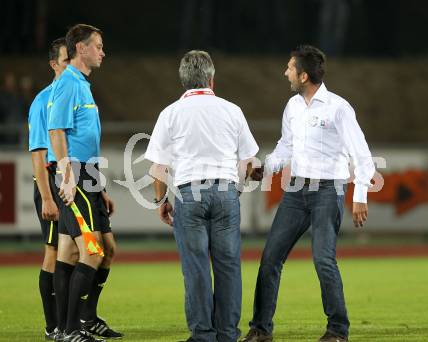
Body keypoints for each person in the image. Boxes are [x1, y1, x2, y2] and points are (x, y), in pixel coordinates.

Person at [242, 45, 375, 342]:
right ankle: (261, 329)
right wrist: (267, 167)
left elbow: (362, 155)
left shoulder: (339, 108)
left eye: (289, 68)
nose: (285, 72)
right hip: (296, 190)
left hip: (329, 190)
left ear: (303, 75)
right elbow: (286, 146)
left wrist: (361, 194)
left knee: (323, 259)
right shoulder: (293, 106)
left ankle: (338, 331)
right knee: (270, 258)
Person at [145, 50, 259, 342]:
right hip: (225, 193)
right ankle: (227, 334)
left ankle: (203, 335)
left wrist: (161, 202)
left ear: (183, 81)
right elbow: (249, 162)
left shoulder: (170, 113)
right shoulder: (231, 110)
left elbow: (158, 168)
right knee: (228, 266)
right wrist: (238, 187)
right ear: (211, 78)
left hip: (188, 194)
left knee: (195, 268)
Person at [47, 24, 122, 342]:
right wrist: (67, 174)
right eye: (99, 46)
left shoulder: (82, 84)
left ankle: (69, 327)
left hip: (88, 174)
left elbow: (81, 137)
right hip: (74, 174)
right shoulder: (68, 83)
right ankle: (72, 328)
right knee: (91, 252)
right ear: (81, 48)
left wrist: (98, 184)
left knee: (78, 252)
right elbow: (56, 132)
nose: (103, 52)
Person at [28, 37, 69, 341]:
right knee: (53, 253)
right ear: (54, 64)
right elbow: (39, 154)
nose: (71, 67)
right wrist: (46, 197)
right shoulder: (43, 101)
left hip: (71, 183)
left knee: (79, 251)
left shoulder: (72, 95)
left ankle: (75, 322)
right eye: (66, 61)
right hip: (51, 186)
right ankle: (52, 325)